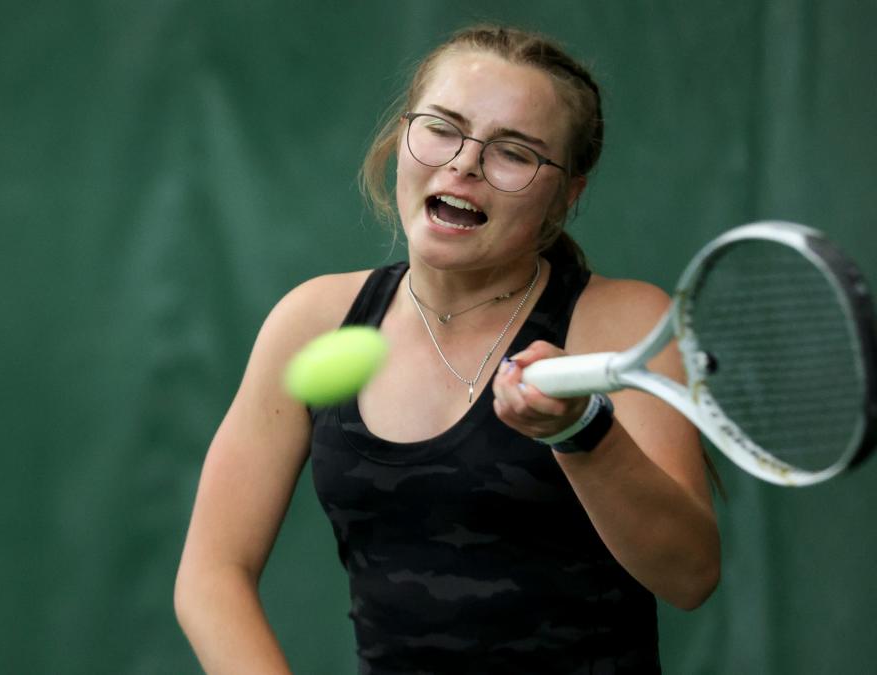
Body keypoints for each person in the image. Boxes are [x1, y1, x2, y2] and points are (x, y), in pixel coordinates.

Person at [174, 24, 720, 674]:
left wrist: (581, 432)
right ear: (401, 138)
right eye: (441, 127)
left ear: (566, 194)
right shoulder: (313, 320)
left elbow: (690, 575)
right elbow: (212, 574)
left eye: (513, 152)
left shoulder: (626, 320)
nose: (463, 163)